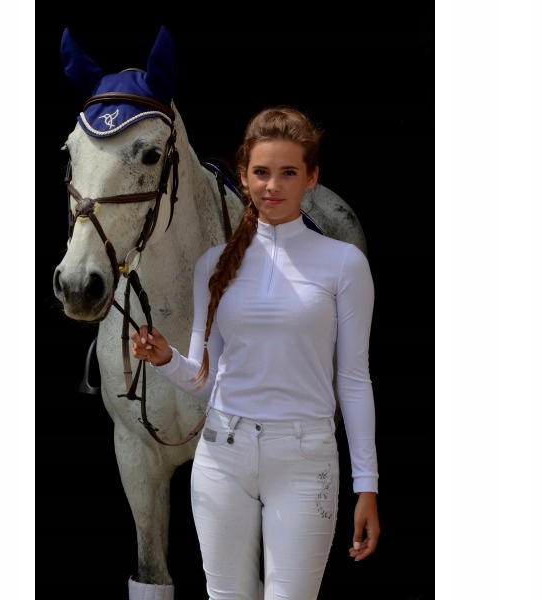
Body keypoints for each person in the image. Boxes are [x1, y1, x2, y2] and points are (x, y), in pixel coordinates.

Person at [130, 106, 379, 599]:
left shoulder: (343, 264)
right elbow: (205, 380)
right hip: (222, 454)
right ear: (243, 176)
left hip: (305, 460)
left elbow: (353, 380)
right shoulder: (213, 265)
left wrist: (366, 484)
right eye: (262, 172)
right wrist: (165, 359)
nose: (273, 186)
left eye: (288, 173)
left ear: (311, 177)